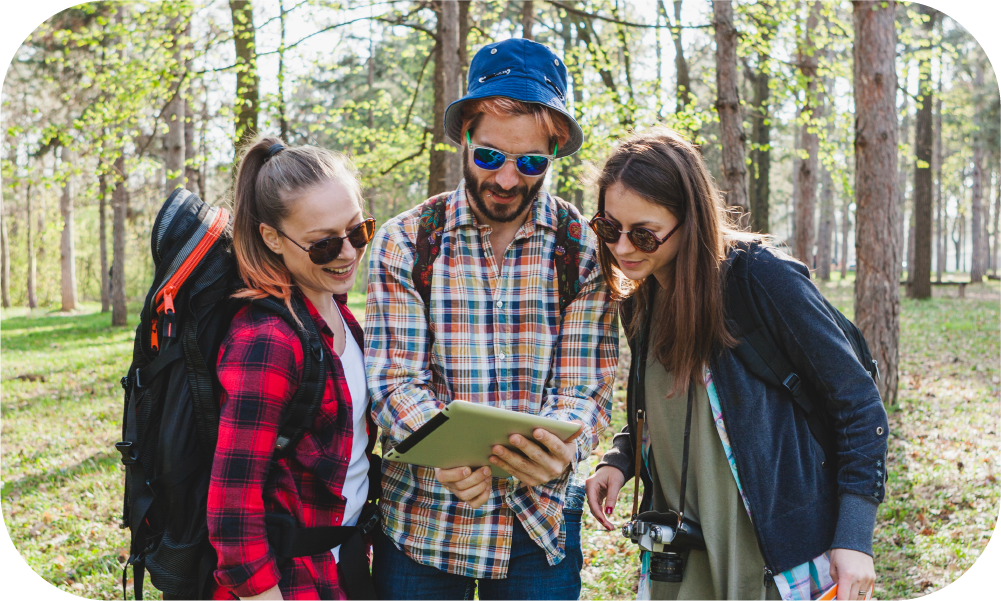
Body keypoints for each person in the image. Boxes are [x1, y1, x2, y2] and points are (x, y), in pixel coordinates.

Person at [584, 128, 889, 601]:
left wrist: (855, 536)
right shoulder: (639, 299)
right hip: (680, 561)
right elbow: (675, 405)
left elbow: (859, 405)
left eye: (643, 233)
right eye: (608, 229)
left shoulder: (759, 278)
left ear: (691, 219)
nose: (622, 249)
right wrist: (622, 459)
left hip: (772, 557)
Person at [364, 38, 619, 600]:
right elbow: (392, 380)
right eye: (488, 156)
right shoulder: (407, 242)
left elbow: (587, 386)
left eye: (530, 162)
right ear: (464, 136)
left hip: (539, 521)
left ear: (554, 149)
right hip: (424, 521)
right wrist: (447, 448)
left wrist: (563, 448)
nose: (506, 179)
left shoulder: (582, 249)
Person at [207, 137, 377, 601]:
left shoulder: (342, 318)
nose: (347, 253)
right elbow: (232, 509)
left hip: (342, 565)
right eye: (323, 245)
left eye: (358, 231)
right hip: (290, 582)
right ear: (272, 238)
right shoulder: (267, 342)